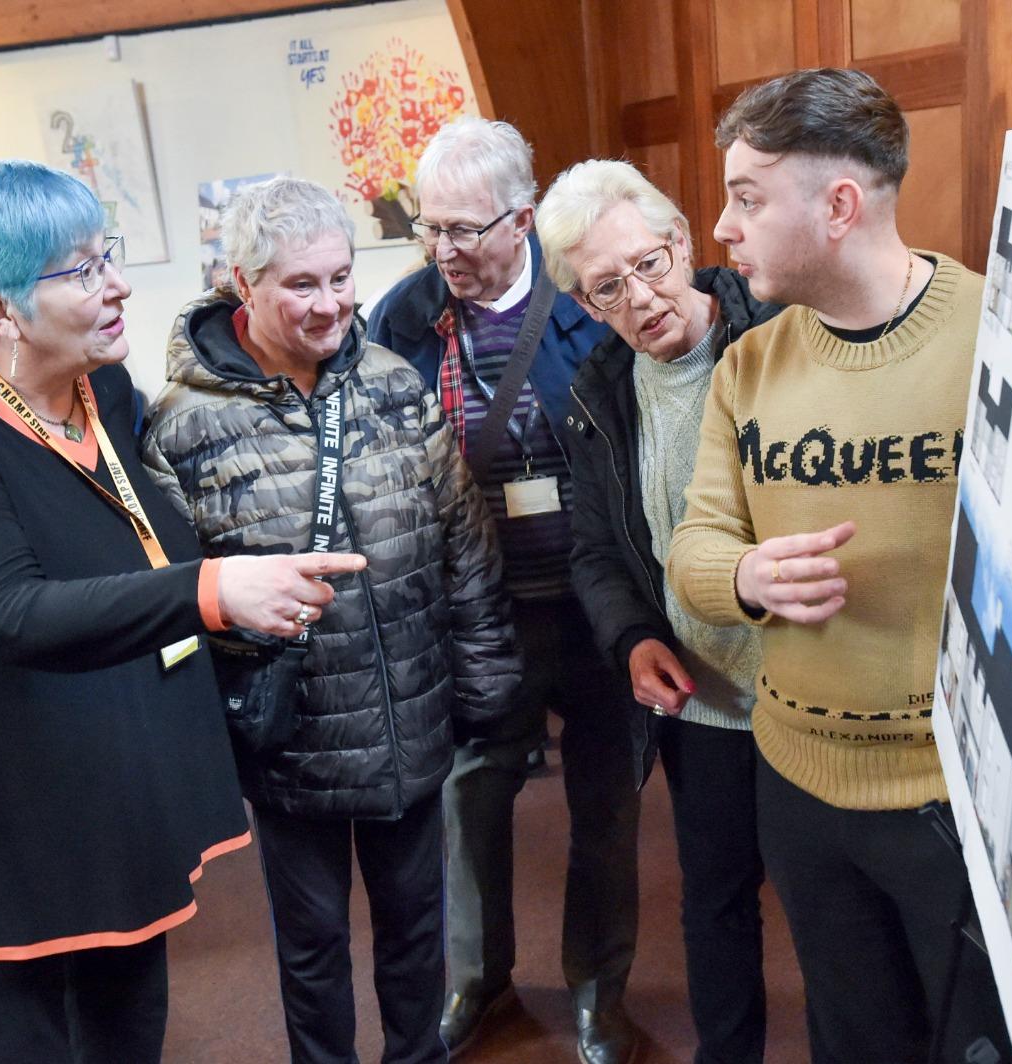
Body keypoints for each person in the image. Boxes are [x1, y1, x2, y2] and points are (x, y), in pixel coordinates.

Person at [0, 159, 366, 1064]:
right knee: (21, 1035)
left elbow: (121, 551)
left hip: (104, 756)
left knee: (126, 1018)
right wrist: (213, 591)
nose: (119, 283)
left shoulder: (101, 389)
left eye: (107, 254)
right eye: (82, 270)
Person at [667, 69, 1012, 1062]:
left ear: (838, 206)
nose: (721, 231)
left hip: (953, 797)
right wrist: (745, 580)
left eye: (745, 198)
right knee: (855, 1037)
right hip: (800, 785)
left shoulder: (997, 340)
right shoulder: (748, 365)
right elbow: (694, 550)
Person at [142, 175, 520, 1064]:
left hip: (410, 714)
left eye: (341, 277)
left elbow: (463, 541)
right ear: (245, 283)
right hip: (292, 738)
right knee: (312, 950)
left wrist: (486, 681)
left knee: (416, 929)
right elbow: (175, 595)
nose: (331, 304)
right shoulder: (184, 425)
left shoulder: (392, 383)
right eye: (301, 286)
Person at [368, 118, 643, 1064]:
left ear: (522, 220)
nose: (442, 250)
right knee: (469, 802)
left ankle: (599, 998)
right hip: (476, 613)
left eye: (463, 229)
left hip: (594, 605)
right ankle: (477, 982)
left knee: (607, 810)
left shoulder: (588, 306)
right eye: (428, 227)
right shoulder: (401, 320)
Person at [536, 159, 781, 1064]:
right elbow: (596, 548)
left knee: (835, 911)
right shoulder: (598, 391)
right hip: (702, 701)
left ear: (683, 242)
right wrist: (633, 637)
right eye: (607, 287)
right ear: (588, 305)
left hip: (807, 694)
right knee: (714, 902)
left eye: (648, 263)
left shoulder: (776, 336)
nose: (640, 297)